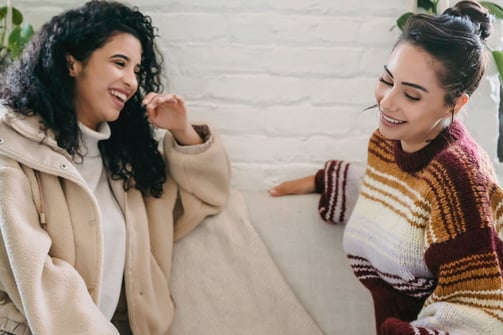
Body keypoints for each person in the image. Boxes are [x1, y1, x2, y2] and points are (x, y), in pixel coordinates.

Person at [270, 1, 503, 334]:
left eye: (411, 95)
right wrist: (328, 181)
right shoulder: (389, 140)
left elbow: (481, 311)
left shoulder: (460, 178)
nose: (388, 101)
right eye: (386, 79)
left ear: (455, 103)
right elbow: (401, 194)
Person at [0, 0, 231, 334]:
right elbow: (34, 275)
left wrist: (182, 131)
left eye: (136, 70)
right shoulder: (13, 149)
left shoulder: (127, 166)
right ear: (72, 63)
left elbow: (209, 195)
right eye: (119, 63)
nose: (131, 81)